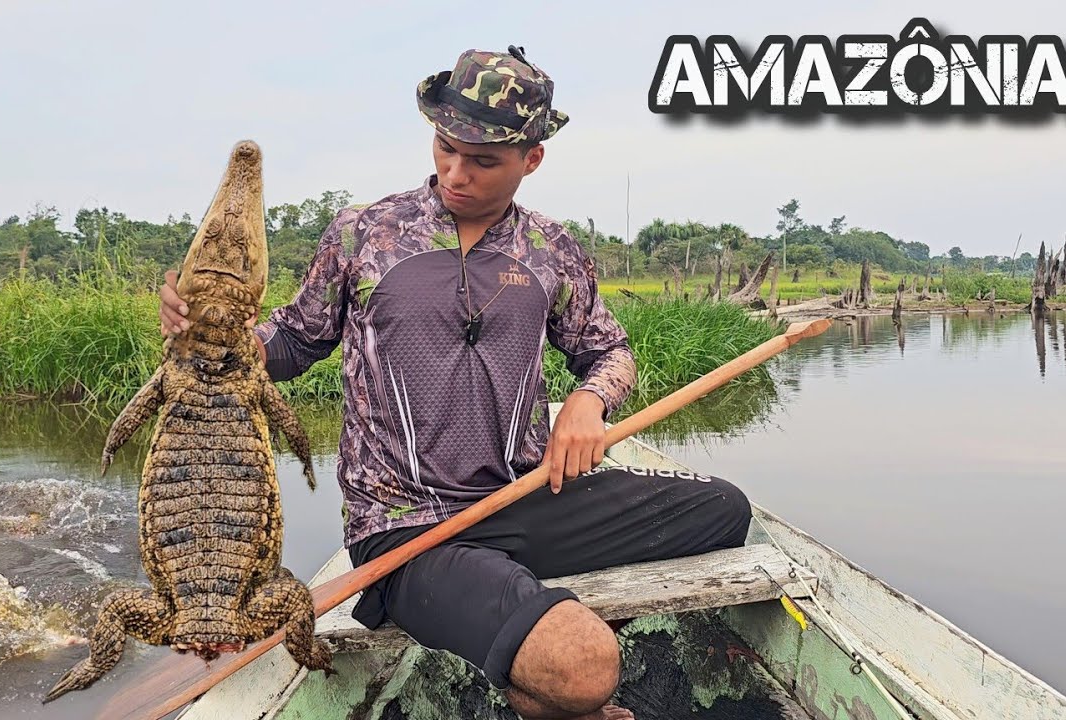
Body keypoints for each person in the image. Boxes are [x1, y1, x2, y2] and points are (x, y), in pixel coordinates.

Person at [159, 46, 751, 720]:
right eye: (446, 148)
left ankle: (512, 615)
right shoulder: (365, 235)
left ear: (531, 159)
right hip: (409, 525)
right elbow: (295, 338)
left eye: (484, 160)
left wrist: (589, 400)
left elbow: (610, 352)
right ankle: (536, 667)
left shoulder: (552, 249)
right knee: (586, 667)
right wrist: (213, 338)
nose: (456, 173)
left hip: (525, 495)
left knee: (726, 511)